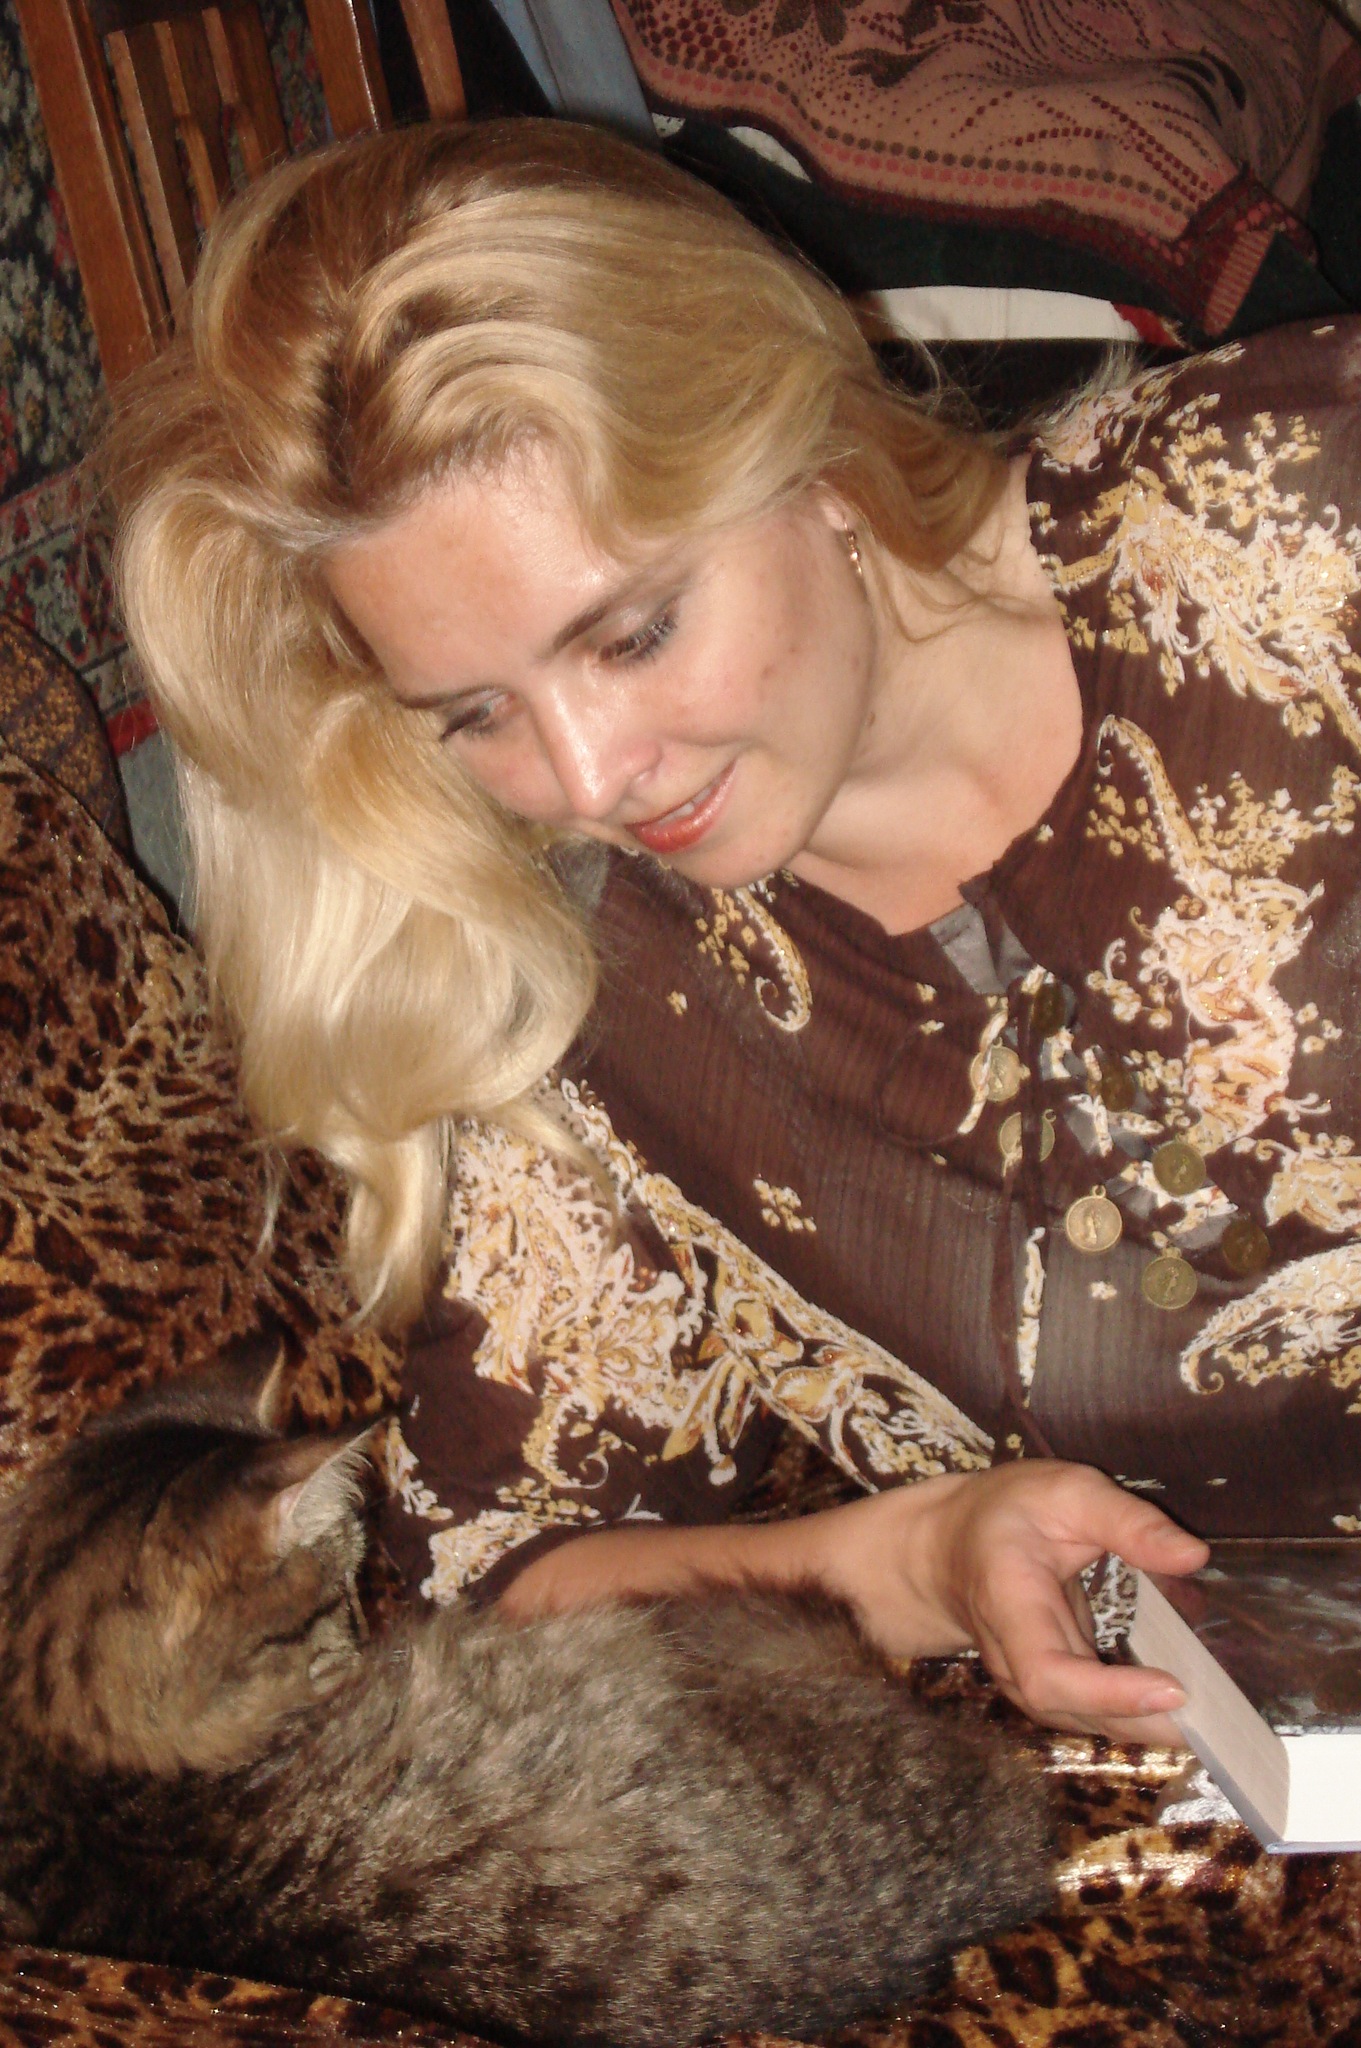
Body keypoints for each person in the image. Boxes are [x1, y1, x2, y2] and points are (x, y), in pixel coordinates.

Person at [107, 119, 1361, 1746]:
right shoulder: (603, 994)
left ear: (811, 450)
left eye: (633, 633)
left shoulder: (1291, 536)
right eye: (475, 712)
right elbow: (496, 1574)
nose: (585, 780)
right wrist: (905, 1562)